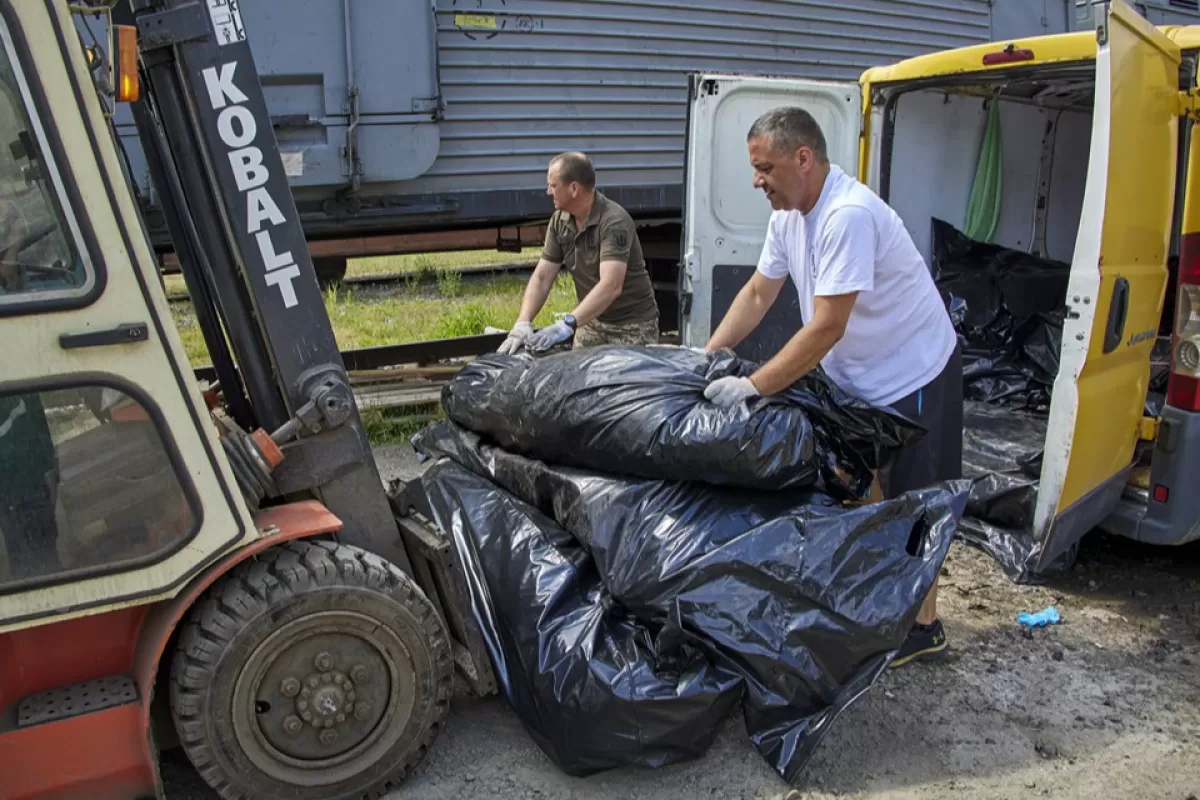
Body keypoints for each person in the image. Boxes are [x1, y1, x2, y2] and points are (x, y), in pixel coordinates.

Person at [702, 107, 963, 668]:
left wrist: (753, 385)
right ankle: (880, 587)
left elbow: (826, 326)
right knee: (860, 478)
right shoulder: (789, 216)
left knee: (913, 498)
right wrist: (707, 357)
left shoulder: (847, 215)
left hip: (912, 370)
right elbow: (756, 294)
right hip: (857, 372)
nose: (757, 181)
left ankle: (924, 627)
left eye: (765, 167)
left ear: (804, 158)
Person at [498, 152, 659, 354]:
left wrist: (565, 325)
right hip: (591, 322)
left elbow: (611, 285)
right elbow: (542, 277)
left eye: (553, 186)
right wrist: (523, 322)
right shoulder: (560, 221)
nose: (548, 191)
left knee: (622, 382)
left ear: (574, 188)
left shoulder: (614, 221)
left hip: (632, 326)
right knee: (579, 379)